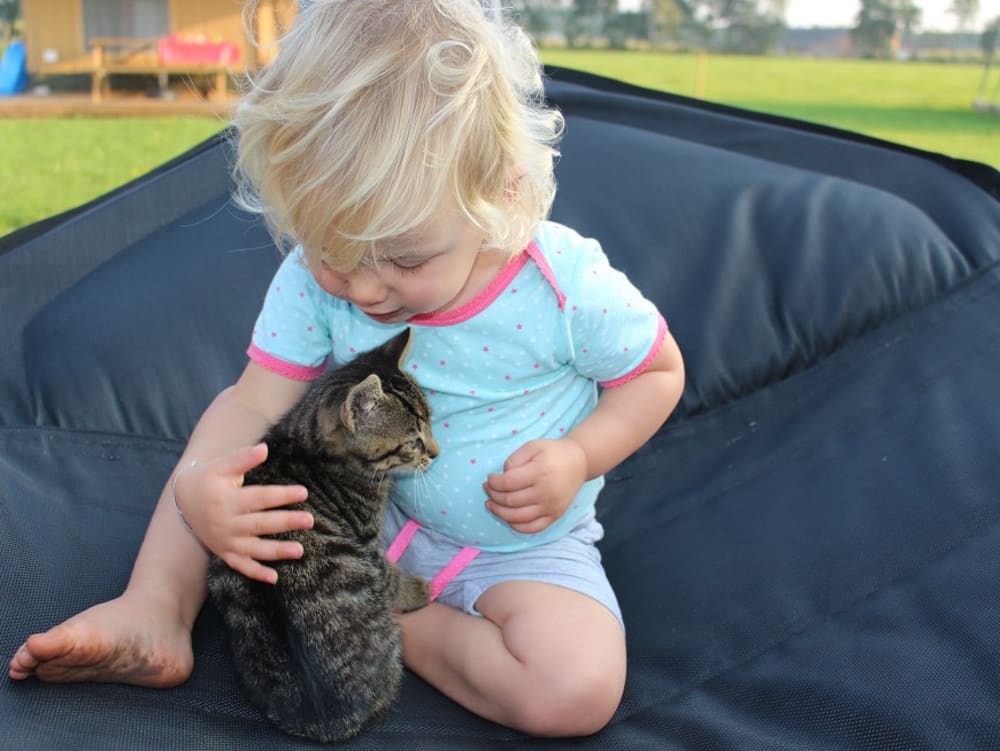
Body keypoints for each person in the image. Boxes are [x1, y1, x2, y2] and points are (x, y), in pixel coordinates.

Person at [9, 0, 684, 738]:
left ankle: (384, 616)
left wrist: (579, 454)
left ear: (500, 194)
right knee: (218, 477)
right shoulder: (312, 276)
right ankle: (154, 609)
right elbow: (247, 405)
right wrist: (206, 487)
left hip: (521, 549)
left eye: (404, 259)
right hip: (357, 513)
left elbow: (656, 373)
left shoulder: (563, 287)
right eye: (333, 253)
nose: (364, 289)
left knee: (575, 691)